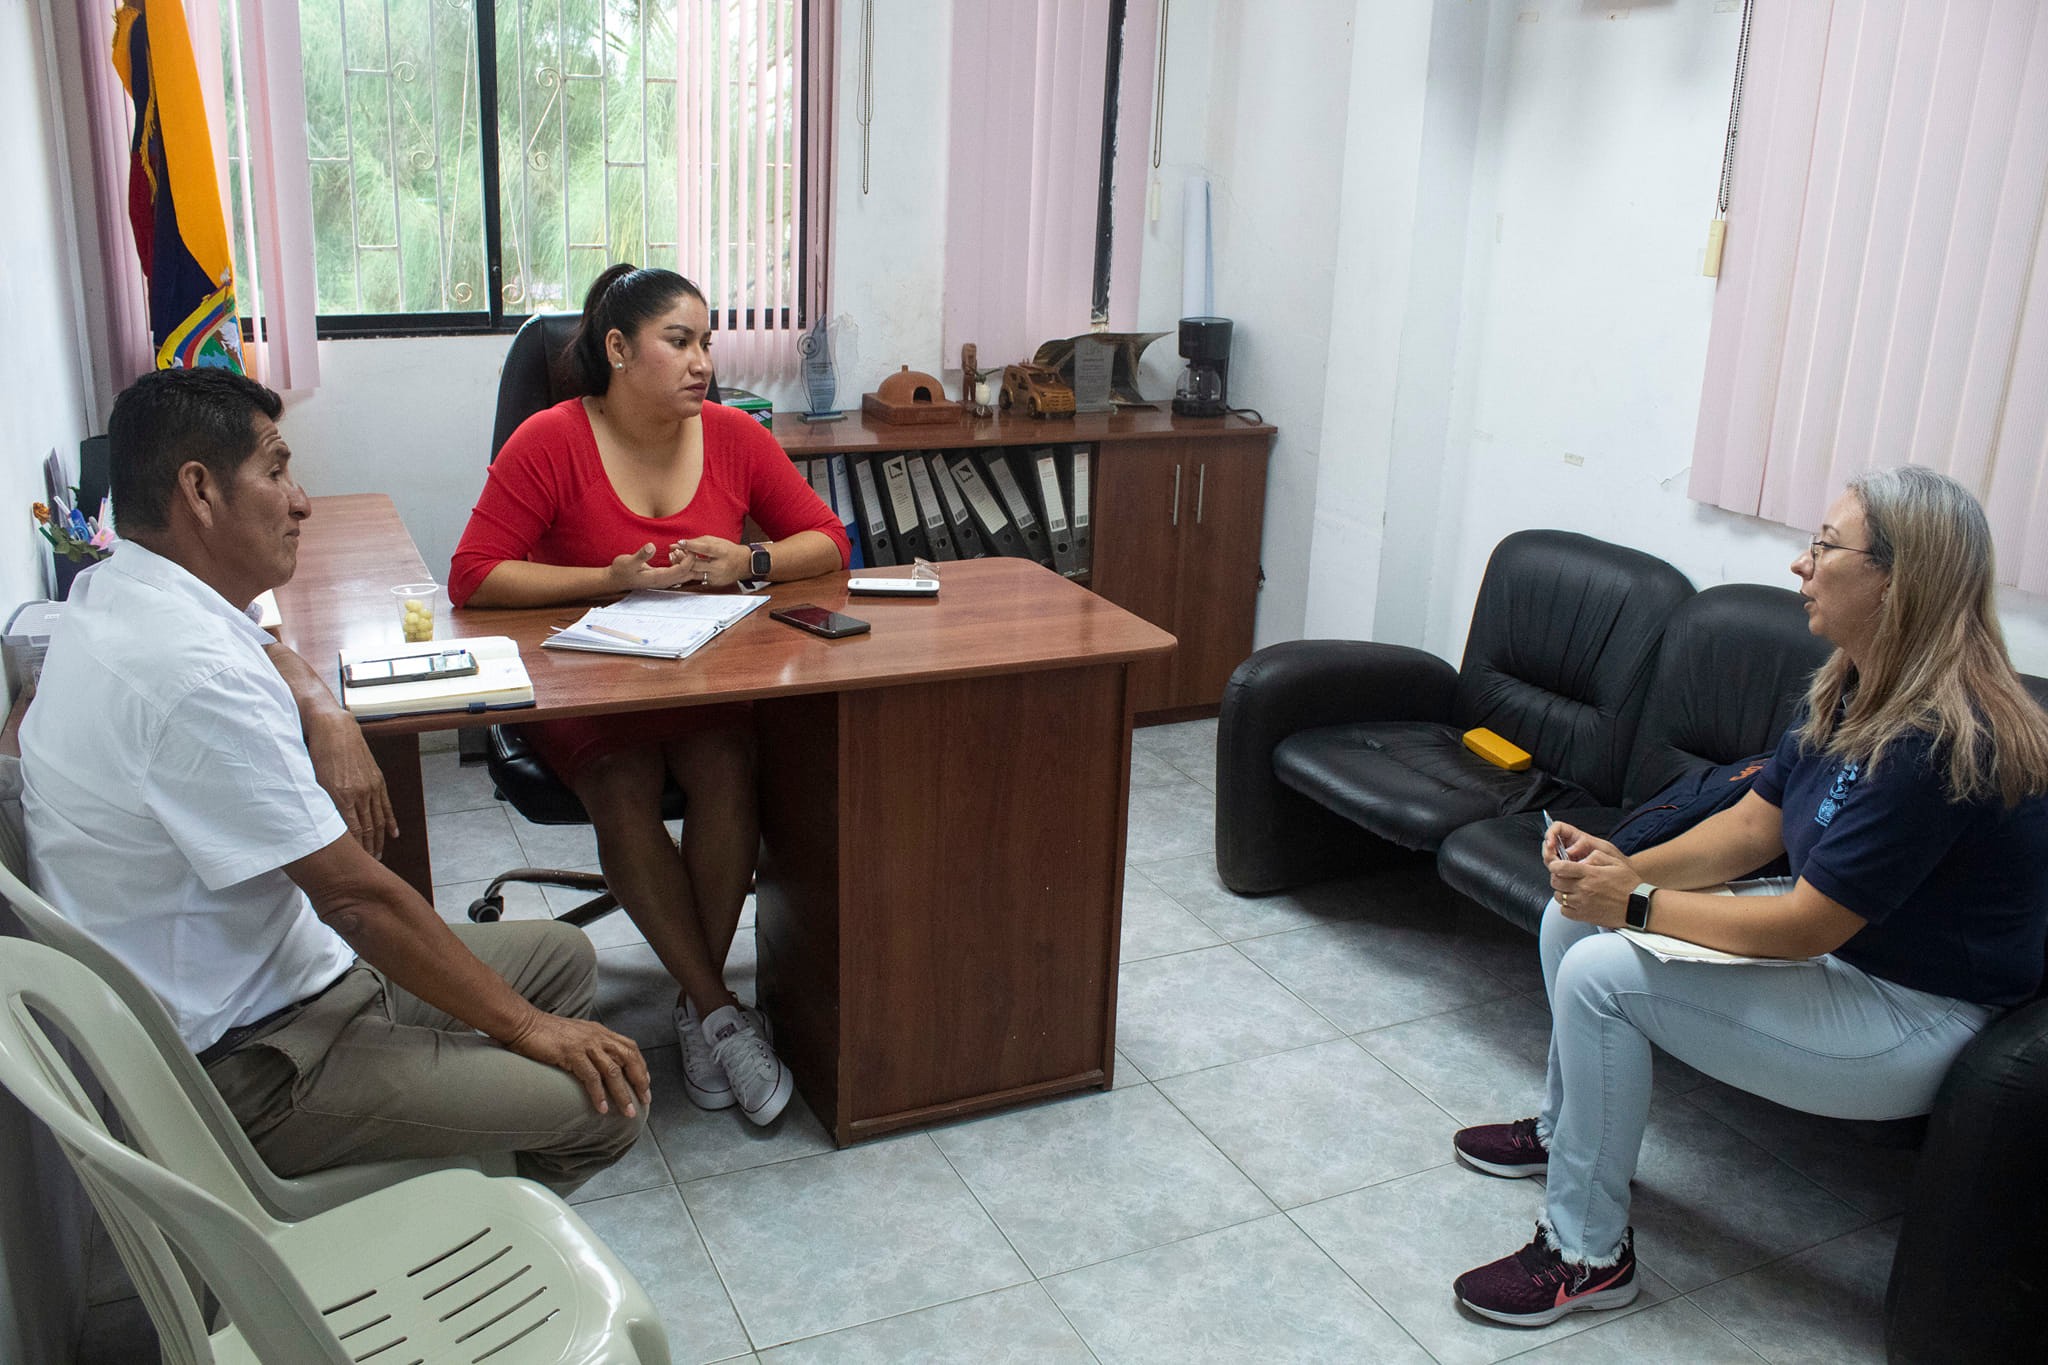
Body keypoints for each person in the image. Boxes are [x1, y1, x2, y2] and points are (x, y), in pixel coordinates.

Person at [21, 367, 650, 1195]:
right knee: (600, 1107)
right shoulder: (195, 678)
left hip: (277, 978)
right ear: (200, 491)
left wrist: (322, 705)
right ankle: (436, 1217)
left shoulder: (113, 591)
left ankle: (449, 1142)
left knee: (563, 957)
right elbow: (355, 899)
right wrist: (528, 1030)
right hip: (249, 1062)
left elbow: (254, 642)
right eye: (277, 470)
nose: (302, 501)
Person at [1449, 466, 2048, 1327]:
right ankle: (1563, 1132)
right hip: (1848, 954)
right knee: (1568, 919)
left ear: (1895, 580)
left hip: (1914, 1016)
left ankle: (1586, 1255)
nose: (1802, 564)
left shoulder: (1940, 738)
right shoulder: (1854, 681)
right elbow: (1750, 828)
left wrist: (1635, 904)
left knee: (1601, 973)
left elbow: (1807, 924)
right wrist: (1620, 864)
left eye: (1825, 546)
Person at [449, 264, 849, 1127]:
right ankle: (718, 1009)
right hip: (589, 683)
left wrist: (750, 560)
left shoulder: (734, 435)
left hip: (701, 670)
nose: (703, 361)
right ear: (620, 349)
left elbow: (828, 539)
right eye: (680, 341)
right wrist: (609, 578)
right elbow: (474, 575)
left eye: (707, 341)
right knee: (622, 780)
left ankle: (701, 1009)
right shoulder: (551, 440)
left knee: (729, 765)